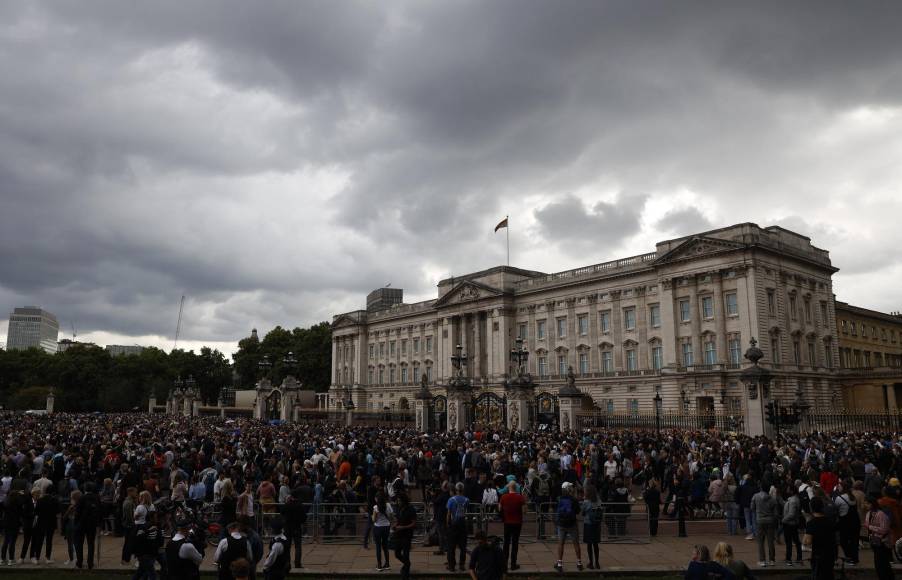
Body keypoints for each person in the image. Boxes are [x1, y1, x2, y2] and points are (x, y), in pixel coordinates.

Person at [804, 497, 837, 580]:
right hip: (830, 553)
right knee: (828, 574)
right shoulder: (830, 521)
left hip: (818, 554)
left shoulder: (811, 523)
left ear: (811, 508)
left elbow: (807, 542)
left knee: (818, 575)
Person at [554, 481, 583, 573]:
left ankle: (559, 564)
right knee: (576, 543)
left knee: (560, 544)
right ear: (568, 489)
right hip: (572, 524)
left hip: (561, 524)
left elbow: (556, 510)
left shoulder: (558, 498)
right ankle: (579, 563)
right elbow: (578, 511)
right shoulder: (574, 500)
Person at [498, 480, 526, 571]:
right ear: (516, 487)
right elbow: (524, 511)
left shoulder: (503, 497)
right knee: (515, 543)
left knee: (506, 543)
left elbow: (499, 509)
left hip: (507, 522)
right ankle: (513, 564)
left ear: (508, 487)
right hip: (517, 523)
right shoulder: (520, 497)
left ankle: (504, 563)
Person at [864, 494, 894, 580]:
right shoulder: (868, 513)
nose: (865, 505)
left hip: (882, 543)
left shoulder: (881, 514)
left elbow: (884, 529)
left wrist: (870, 527)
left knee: (882, 564)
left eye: (867, 503)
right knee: (878, 564)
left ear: (872, 504)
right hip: (874, 542)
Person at [75, 480, 101, 570]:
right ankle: (90, 563)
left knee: (79, 544)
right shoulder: (96, 497)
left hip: (82, 523)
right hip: (92, 524)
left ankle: (79, 562)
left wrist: (76, 522)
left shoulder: (82, 498)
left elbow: (77, 512)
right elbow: (99, 511)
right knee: (91, 544)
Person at [751, 482, 778, 567]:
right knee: (770, 541)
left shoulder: (755, 496)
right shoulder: (772, 499)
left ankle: (762, 560)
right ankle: (772, 560)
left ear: (761, 488)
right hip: (770, 521)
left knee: (760, 542)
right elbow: (776, 513)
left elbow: (752, 507)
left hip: (760, 521)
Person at [132, 510, 164, 580]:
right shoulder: (144, 527)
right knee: (152, 574)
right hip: (144, 555)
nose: (157, 519)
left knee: (141, 572)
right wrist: (149, 531)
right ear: (151, 518)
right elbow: (138, 538)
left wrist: (161, 531)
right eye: (155, 517)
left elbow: (160, 542)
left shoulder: (158, 527)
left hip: (151, 554)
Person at [280, 487, 307, 569]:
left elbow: (282, 512)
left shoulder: (287, 504)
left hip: (287, 527)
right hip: (296, 527)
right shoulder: (300, 505)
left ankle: (287, 563)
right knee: (298, 546)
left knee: (287, 546)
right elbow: (304, 517)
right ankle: (297, 563)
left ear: (291, 496)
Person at [31, 488, 59, 564]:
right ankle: (47, 558)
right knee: (49, 541)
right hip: (51, 522)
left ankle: (37, 558)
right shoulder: (54, 500)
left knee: (39, 540)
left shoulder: (40, 500)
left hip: (41, 522)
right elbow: (58, 511)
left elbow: (36, 512)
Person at [392, 493, 417, 580]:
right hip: (398, 534)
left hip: (407, 535)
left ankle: (405, 575)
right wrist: (395, 525)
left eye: (399, 501)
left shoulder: (411, 509)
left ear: (404, 501)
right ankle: (407, 564)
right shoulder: (399, 508)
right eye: (397, 501)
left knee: (406, 555)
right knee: (397, 553)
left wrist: (403, 527)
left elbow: (414, 523)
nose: (398, 502)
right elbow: (398, 520)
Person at [446, 482, 470, 572]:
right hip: (463, 524)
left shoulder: (451, 500)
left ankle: (451, 565)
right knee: (463, 546)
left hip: (453, 524)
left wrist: (448, 524)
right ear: (463, 490)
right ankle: (462, 565)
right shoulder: (467, 500)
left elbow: (448, 514)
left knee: (451, 546)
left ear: (456, 490)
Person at [581, 483, 604, 570]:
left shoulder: (586, 502)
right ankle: (597, 562)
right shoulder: (598, 500)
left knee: (589, 544)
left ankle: (591, 563)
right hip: (597, 524)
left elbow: (582, 513)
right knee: (596, 544)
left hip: (588, 524)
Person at [781, 485, 803, 566]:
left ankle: (789, 559)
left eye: (788, 489)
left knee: (790, 542)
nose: (787, 490)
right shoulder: (793, 499)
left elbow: (792, 514)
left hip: (790, 524)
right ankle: (797, 557)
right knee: (795, 541)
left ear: (792, 491)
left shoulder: (793, 500)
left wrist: (783, 520)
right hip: (792, 523)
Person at [371, 491, 392, 571]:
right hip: (386, 527)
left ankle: (379, 565)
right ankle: (387, 564)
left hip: (378, 528)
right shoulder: (388, 505)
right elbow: (391, 517)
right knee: (385, 546)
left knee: (378, 546)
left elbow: (374, 520)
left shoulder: (376, 507)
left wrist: (372, 516)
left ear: (377, 499)